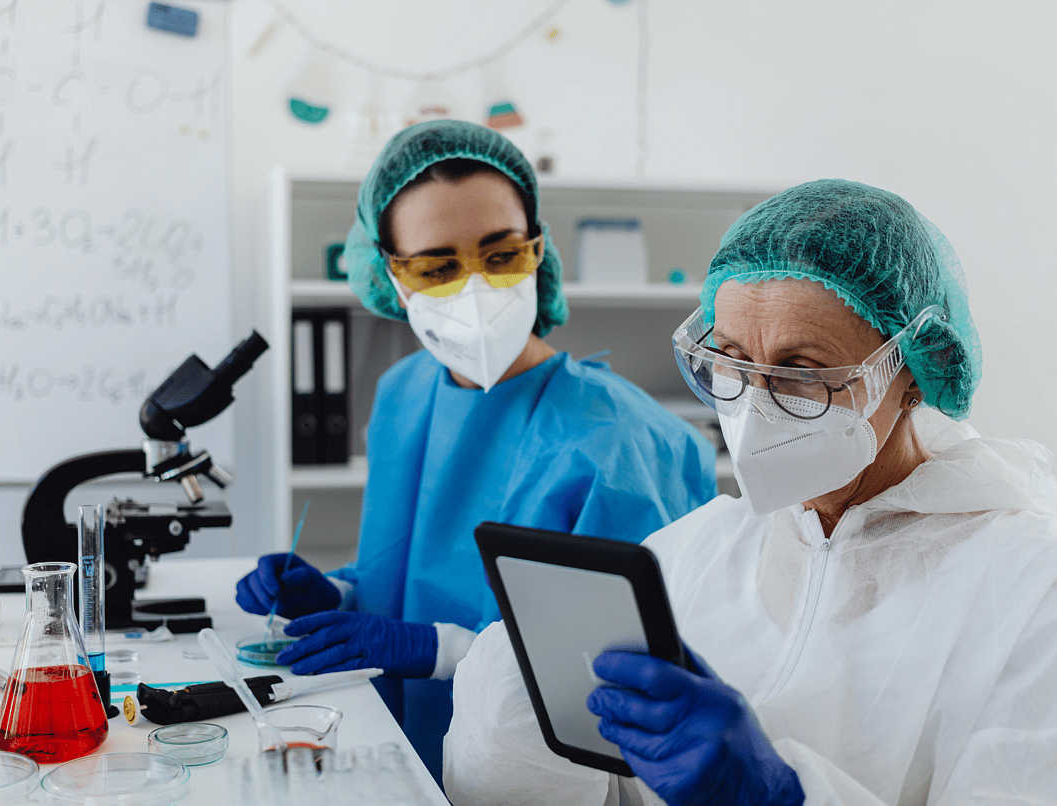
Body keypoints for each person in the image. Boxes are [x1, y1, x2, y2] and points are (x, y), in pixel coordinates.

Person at [443, 178, 1057, 805]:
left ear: (913, 375)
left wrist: (780, 796)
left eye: (801, 373)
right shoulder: (699, 551)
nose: (756, 409)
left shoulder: (1028, 587)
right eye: (733, 361)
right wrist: (513, 707)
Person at [236, 120, 719, 780]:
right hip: (398, 751)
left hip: (547, 783)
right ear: (391, 279)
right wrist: (340, 596)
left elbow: (614, 685)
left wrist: (438, 650)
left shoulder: (624, 444)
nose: (475, 288)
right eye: (436, 268)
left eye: (501, 256)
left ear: (537, 249)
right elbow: (419, 570)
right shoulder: (405, 394)